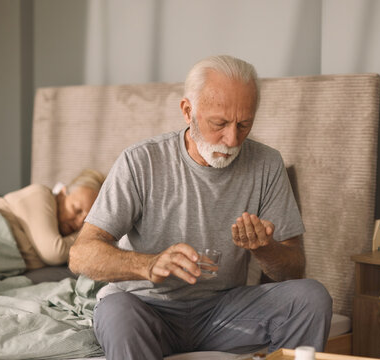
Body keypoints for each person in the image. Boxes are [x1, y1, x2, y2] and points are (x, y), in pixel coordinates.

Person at [69, 55, 332, 359]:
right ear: (187, 111)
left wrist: (265, 249)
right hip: (145, 307)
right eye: (219, 123)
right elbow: (80, 254)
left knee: (311, 297)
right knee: (115, 312)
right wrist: (147, 265)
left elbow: (294, 268)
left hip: (224, 311)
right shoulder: (140, 161)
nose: (232, 139)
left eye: (244, 124)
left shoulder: (267, 164)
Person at [0, 168, 105, 269]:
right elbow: (54, 253)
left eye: (86, 221)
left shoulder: (61, 238)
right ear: (61, 194)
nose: (79, 223)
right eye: (76, 209)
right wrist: (92, 232)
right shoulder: (40, 195)